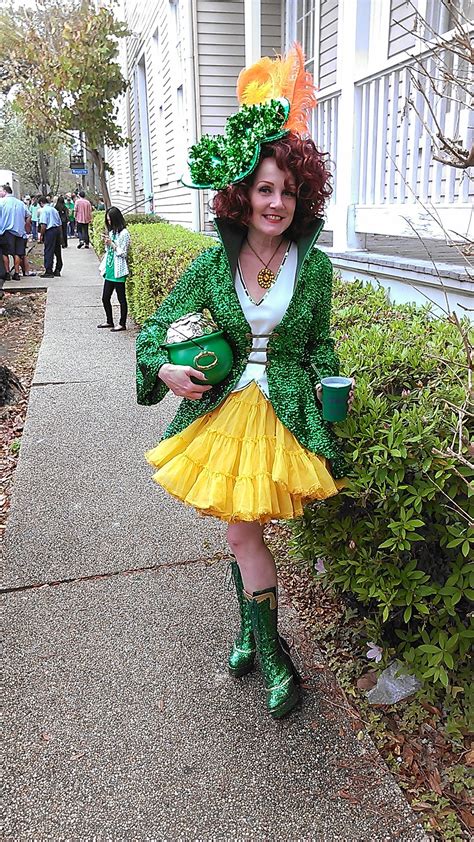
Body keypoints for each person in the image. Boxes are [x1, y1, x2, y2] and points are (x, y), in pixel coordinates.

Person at [136, 46, 355, 720]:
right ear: (243, 193)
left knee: (243, 535)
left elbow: (318, 345)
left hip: (282, 411)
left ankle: (259, 642)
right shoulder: (212, 262)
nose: (277, 202)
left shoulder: (312, 269)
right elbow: (154, 330)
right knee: (242, 535)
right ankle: (266, 646)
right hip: (226, 413)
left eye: (289, 190)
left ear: (303, 195)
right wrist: (166, 369)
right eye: (265, 188)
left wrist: (331, 396)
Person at [98, 207, 131, 332]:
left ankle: (122, 324)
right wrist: (107, 243)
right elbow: (109, 252)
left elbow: (123, 253)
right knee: (105, 297)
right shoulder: (112, 233)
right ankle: (109, 321)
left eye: (110, 220)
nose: (109, 223)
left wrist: (112, 244)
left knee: (121, 298)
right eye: (107, 220)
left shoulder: (124, 234)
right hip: (110, 269)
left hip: (119, 270)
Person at [0, 184, 31, 280]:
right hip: (20, 231)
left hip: (6, 231)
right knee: (17, 253)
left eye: (0, 191)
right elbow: (29, 215)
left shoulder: (1, 202)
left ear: (5, 191)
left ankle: (7, 272)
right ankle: (17, 273)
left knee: (5, 253)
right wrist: (26, 226)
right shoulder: (21, 203)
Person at [38, 196, 62, 278]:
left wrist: (41, 235)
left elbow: (43, 224)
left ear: (41, 203)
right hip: (56, 230)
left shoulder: (44, 211)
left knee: (48, 250)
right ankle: (58, 268)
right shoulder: (54, 210)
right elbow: (59, 223)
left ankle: (48, 270)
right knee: (57, 250)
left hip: (49, 231)